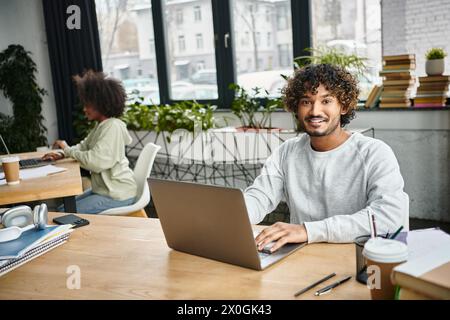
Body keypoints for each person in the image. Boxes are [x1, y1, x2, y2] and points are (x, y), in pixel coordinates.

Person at [246, 64, 409, 253]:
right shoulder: (287, 153)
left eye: (326, 101)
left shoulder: (374, 153)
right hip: (301, 258)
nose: (315, 111)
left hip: (357, 259)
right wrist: (229, 217)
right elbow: (259, 197)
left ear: (344, 106)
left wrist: (308, 231)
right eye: (306, 101)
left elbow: (387, 217)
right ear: (296, 107)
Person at [43, 70, 137, 214]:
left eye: (88, 104)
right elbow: (83, 146)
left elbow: (95, 162)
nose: (84, 109)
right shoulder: (101, 125)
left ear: (102, 104)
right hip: (105, 190)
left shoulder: (112, 127)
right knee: (63, 209)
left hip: (118, 194)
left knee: (64, 214)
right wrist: (62, 153)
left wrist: (67, 150)